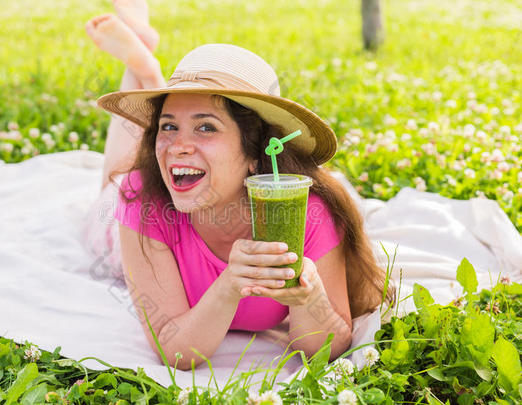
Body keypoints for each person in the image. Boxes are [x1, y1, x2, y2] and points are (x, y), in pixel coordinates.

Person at [84, 1, 392, 371]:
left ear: (254, 153)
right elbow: (176, 352)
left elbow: (325, 348)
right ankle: (146, 71)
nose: (178, 143)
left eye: (206, 127)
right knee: (116, 178)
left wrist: (310, 300)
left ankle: (149, 70)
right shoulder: (142, 200)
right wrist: (231, 284)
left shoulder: (305, 214)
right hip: (117, 231)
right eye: (167, 126)